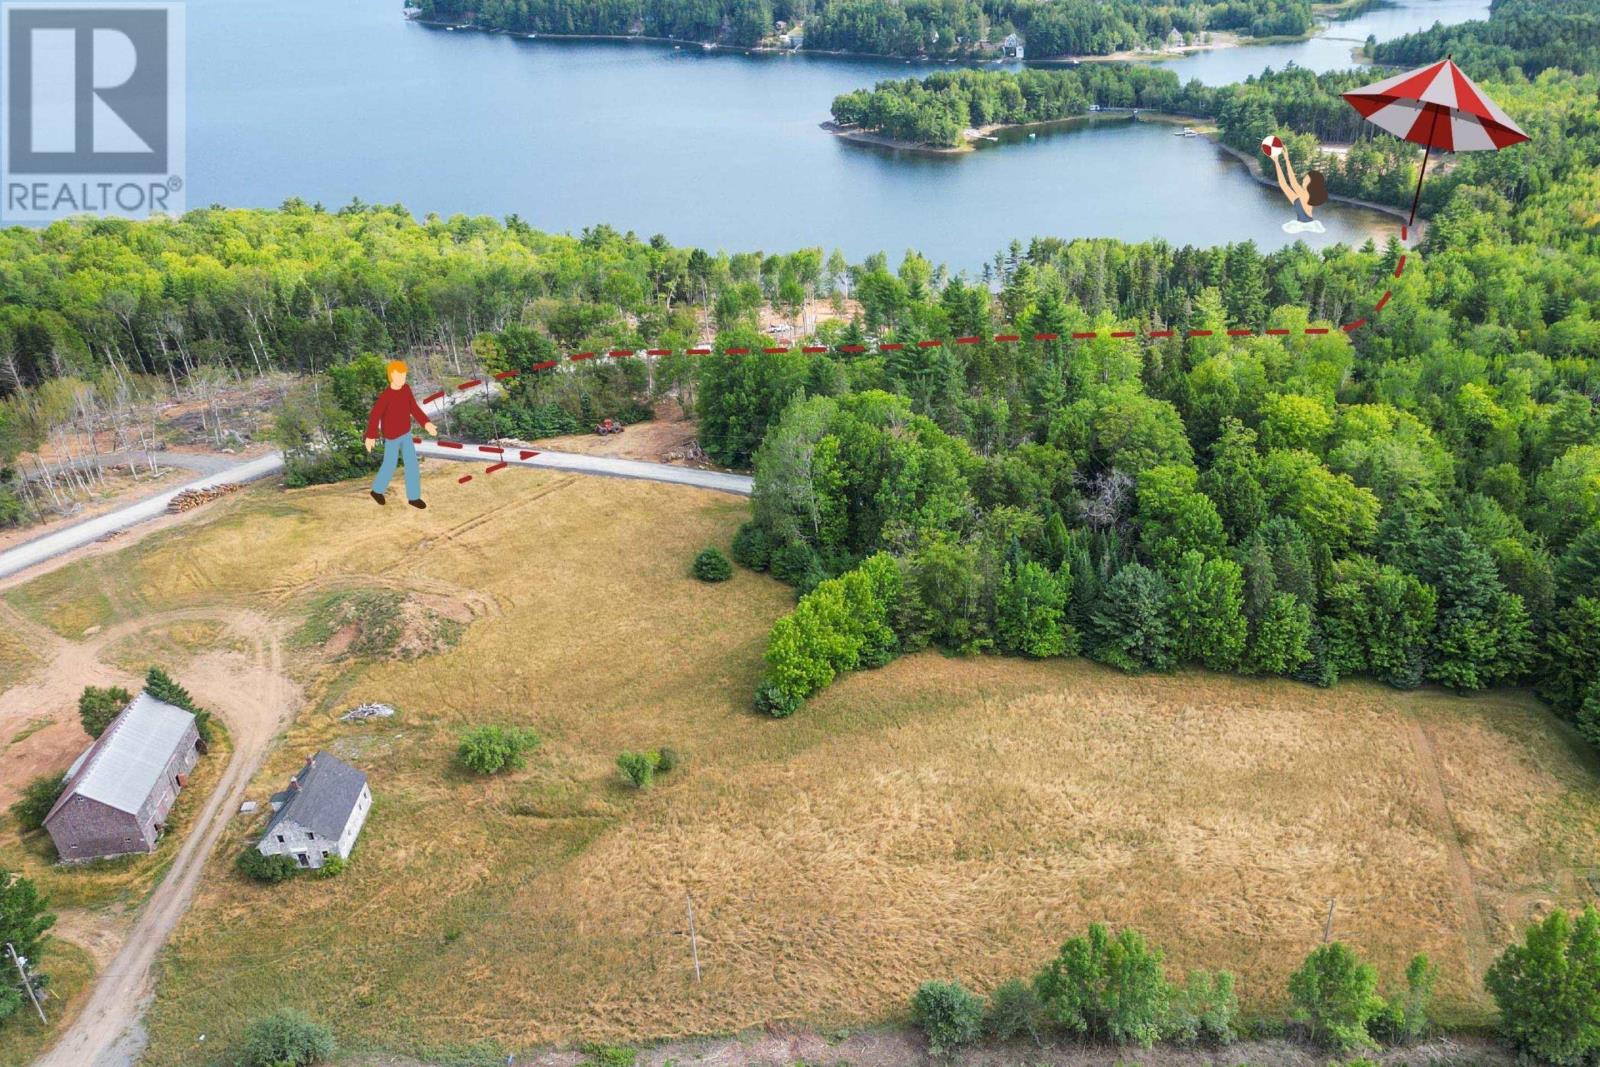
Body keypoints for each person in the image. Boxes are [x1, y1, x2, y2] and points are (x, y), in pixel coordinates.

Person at [365, 359, 438, 508]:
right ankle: (377, 491)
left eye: (404, 375)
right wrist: (370, 436)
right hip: (391, 437)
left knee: (412, 464)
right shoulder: (385, 396)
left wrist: (426, 423)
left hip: (405, 433)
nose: (403, 379)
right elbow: (375, 415)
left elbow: (414, 409)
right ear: (392, 376)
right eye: (400, 376)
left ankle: (413, 497)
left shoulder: (406, 389)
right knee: (390, 464)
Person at [1270, 148, 1328, 234]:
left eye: (1306, 180)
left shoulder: (1307, 196)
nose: (1303, 181)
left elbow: (1293, 183)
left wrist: (1287, 159)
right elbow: (1283, 184)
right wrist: (1277, 162)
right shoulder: (1298, 199)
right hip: (1300, 224)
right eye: (1304, 179)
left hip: (1309, 225)